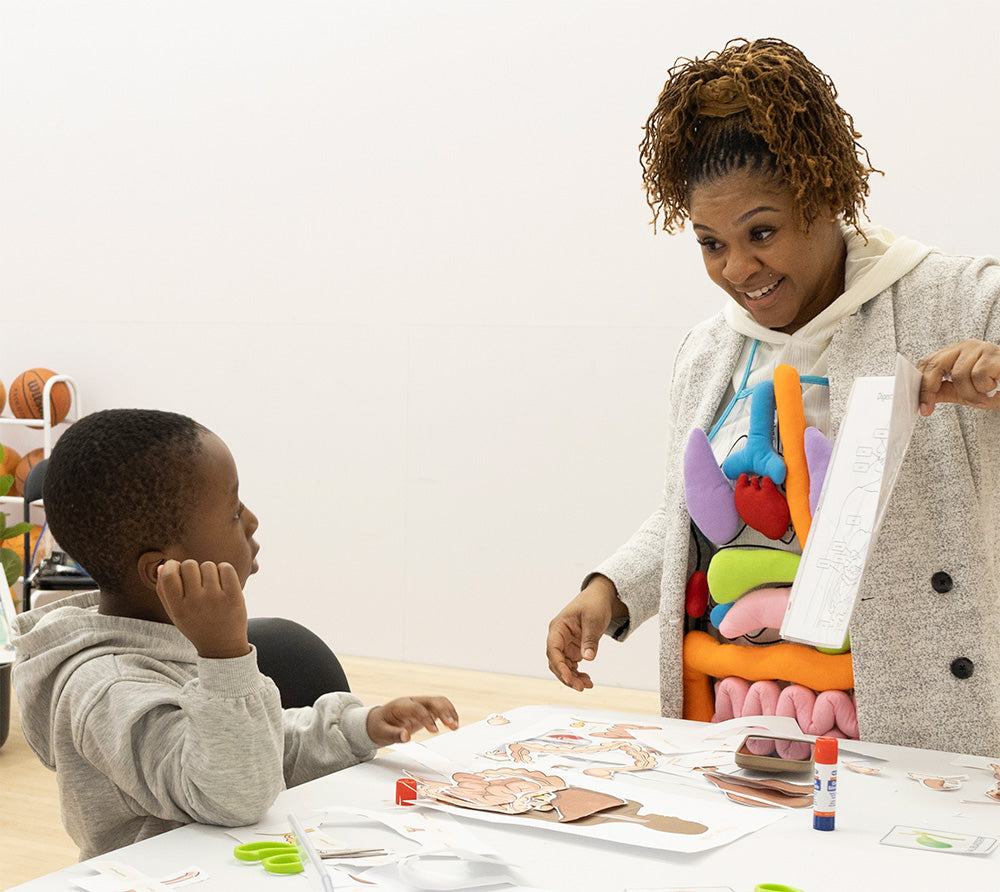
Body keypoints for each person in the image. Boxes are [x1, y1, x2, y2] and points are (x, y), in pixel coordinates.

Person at [546, 37, 1000, 757]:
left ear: (826, 195)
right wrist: (609, 589)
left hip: (909, 734)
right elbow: (686, 511)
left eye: (761, 232)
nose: (738, 269)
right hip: (737, 720)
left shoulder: (957, 301)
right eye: (710, 243)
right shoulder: (709, 353)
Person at [11, 408, 459, 860]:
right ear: (162, 571)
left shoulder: (163, 638)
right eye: (233, 512)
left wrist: (357, 728)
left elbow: (255, 748)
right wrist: (224, 656)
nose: (252, 521)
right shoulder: (107, 689)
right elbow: (232, 793)